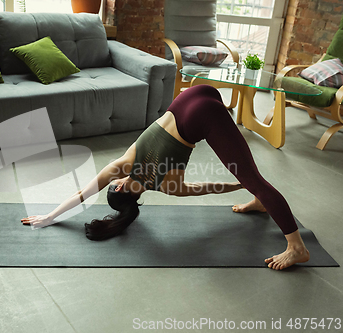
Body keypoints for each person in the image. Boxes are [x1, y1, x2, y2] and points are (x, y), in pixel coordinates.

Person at [21, 85, 310, 271]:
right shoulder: (120, 166)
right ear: (119, 186)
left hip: (201, 116)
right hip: (192, 95)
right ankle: (260, 201)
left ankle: (297, 247)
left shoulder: (168, 187)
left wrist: (239, 184)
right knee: (253, 181)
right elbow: (81, 194)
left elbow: (207, 188)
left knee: (255, 179)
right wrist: (49, 216)